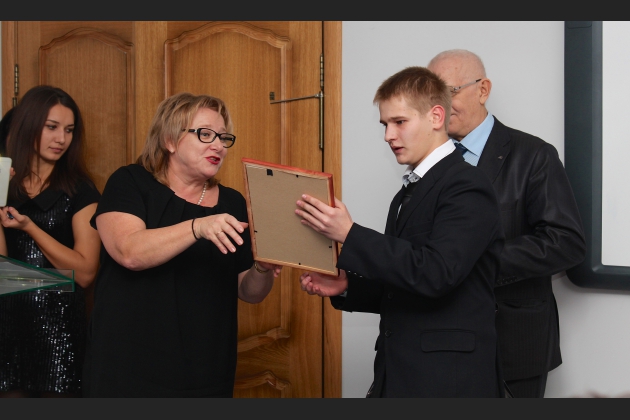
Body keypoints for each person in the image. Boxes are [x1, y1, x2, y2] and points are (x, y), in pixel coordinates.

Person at [296, 66, 505, 398]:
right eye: (385, 124)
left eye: (399, 122)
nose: (388, 135)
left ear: (436, 117)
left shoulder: (467, 185)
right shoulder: (409, 191)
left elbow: (436, 273)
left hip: (448, 380)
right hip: (403, 373)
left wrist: (350, 234)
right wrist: (348, 285)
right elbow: (405, 282)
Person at [82, 92, 282, 398]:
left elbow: (250, 292)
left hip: (205, 369)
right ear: (170, 140)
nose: (218, 146)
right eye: (205, 134)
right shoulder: (129, 182)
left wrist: (262, 268)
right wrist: (198, 226)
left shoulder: (233, 203)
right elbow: (129, 252)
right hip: (127, 365)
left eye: (223, 137)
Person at [427, 49, 587, 398]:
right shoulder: (429, 159)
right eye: (431, 95)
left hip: (514, 345)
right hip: (440, 343)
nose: (438, 106)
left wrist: (480, 262)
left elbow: (567, 242)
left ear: (483, 90)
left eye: (449, 92)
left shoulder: (534, 155)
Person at [0, 85, 102, 397]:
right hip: (7, 326)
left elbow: (84, 273)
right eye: (52, 127)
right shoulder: (6, 185)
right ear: (29, 124)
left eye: (69, 130)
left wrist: (30, 227)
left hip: (58, 332)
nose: (61, 139)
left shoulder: (80, 191)